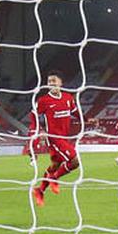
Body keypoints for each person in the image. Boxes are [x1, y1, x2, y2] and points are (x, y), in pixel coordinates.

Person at [30, 72, 82, 207]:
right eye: (49, 81)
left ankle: (40, 190)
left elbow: (75, 111)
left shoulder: (68, 98)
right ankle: (54, 179)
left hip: (64, 137)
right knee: (75, 162)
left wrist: (86, 119)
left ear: (61, 83)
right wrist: (35, 130)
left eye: (54, 80)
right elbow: (33, 114)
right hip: (54, 138)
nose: (51, 83)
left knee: (55, 166)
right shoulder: (43, 101)